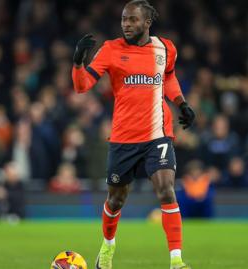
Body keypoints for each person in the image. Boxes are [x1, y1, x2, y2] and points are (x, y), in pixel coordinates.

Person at [71, 1, 195, 268]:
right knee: (116, 200)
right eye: (124, 19)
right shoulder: (111, 49)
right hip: (123, 137)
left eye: (132, 20)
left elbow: (168, 77)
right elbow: (82, 86)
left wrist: (181, 103)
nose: (126, 24)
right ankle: (108, 245)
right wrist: (79, 62)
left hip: (158, 133)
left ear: (147, 22)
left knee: (166, 191)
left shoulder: (166, 48)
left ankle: (177, 261)